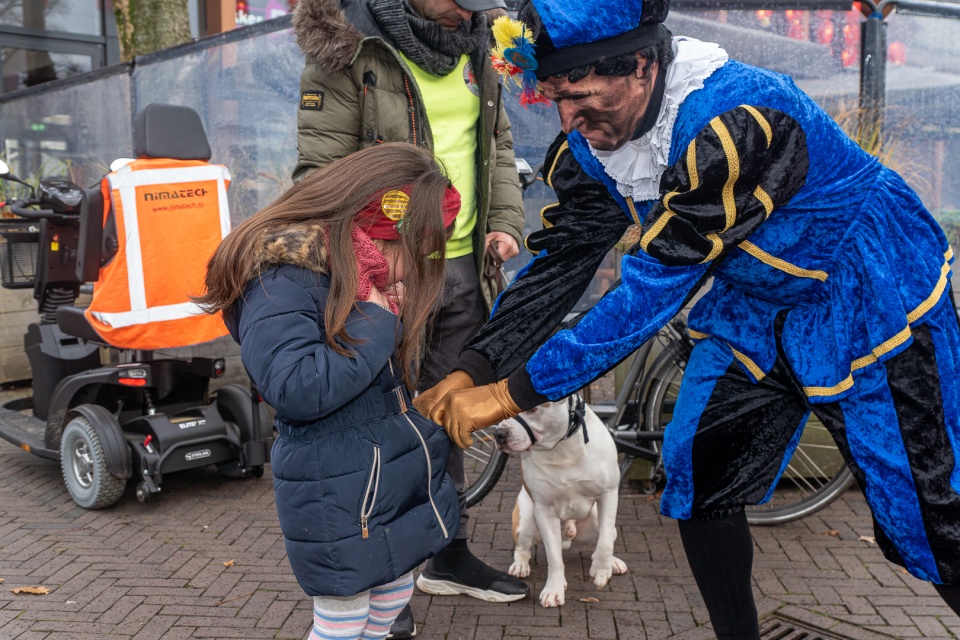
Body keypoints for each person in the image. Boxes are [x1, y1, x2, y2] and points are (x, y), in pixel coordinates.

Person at [416, 1, 960, 637]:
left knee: (926, 509)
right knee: (701, 470)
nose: (569, 121)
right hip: (756, 306)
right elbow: (564, 259)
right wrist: (474, 366)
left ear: (643, 67)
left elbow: (655, 285)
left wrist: (513, 393)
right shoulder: (597, 146)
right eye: (555, 98)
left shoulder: (738, 122)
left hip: (867, 294)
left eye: (582, 97)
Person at [291, 0, 529, 634]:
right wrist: (369, 271)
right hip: (390, 274)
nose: (464, 13)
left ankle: (447, 553)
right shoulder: (352, 47)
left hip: (465, 267)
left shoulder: (480, 44)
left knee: (445, 415)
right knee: (382, 427)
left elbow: (496, 145)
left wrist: (504, 223)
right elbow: (320, 176)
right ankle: (382, 583)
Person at [198, 143, 462, 640]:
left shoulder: (359, 276)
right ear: (380, 232)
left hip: (377, 473)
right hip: (337, 489)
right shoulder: (282, 278)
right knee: (343, 619)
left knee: (392, 595)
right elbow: (296, 386)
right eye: (417, 249)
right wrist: (377, 319)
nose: (416, 267)